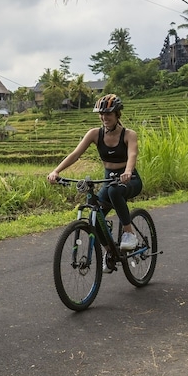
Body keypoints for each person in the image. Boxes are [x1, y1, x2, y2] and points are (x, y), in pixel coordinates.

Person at [47, 94, 143, 255]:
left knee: (114, 191)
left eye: (109, 114)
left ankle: (129, 233)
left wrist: (127, 171)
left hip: (130, 180)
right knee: (95, 217)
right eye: (102, 114)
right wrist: (56, 171)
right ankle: (110, 253)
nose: (105, 117)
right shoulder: (94, 134)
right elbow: (75, 154)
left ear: (117, 114)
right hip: (109, 179)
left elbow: (132, 155)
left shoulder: (129, 134)